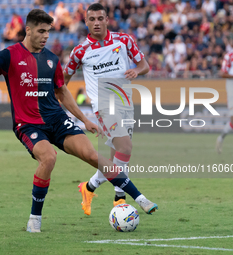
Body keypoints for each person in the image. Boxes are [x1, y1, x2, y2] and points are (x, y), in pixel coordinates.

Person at [0, 9, 158, 233]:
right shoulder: (9, 54)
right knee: (49, 158)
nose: (45, 36)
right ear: (29, 30)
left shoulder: (51, 59)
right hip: (28, 124)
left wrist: (84, 119)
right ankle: (35, 218)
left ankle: (140, 198)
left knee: (92, 155)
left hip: (58, 120)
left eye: (48, 32)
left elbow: (62, 92)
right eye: (41, 31)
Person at [64, 3, 157, 216]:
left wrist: (136, 70)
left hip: (125, 103)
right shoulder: (80, 51)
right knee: (126, 147)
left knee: (116, 157)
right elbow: (63, 80)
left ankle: (89, 187)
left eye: (100, 18)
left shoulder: (124, 40)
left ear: (107, 20)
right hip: (103, 107)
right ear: (86, 22)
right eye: (92, 19)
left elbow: (145, 66)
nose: (96, 22)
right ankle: (127, 199)